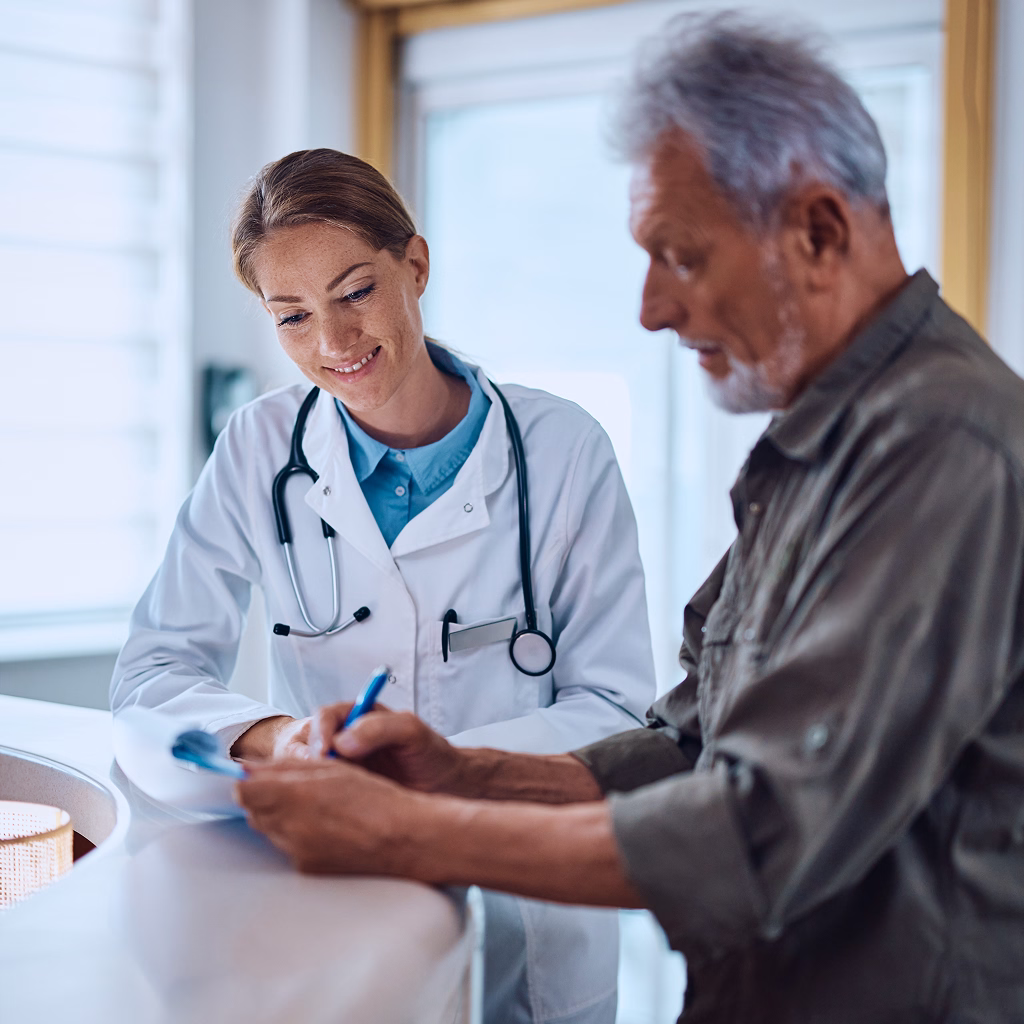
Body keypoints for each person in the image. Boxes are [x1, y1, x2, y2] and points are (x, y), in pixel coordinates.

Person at [237, 14, 1024, 1024]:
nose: (650, 309)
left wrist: (395, 833)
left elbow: (759, 832)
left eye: (680, 256)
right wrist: (459, 771)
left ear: (819, 231)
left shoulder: (940, 446)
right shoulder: (817, 450)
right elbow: (693, 744)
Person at [109, 148, 657, 1024]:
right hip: (342, 903)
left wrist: (435, 774)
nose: (331, 342)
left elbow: (619, 711)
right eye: (291, 316)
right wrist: (275, 736)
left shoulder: (562, 450)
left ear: (416, 265)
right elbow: (151, 676)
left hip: (530, 902)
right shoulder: (259, 449)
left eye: (355, 291)